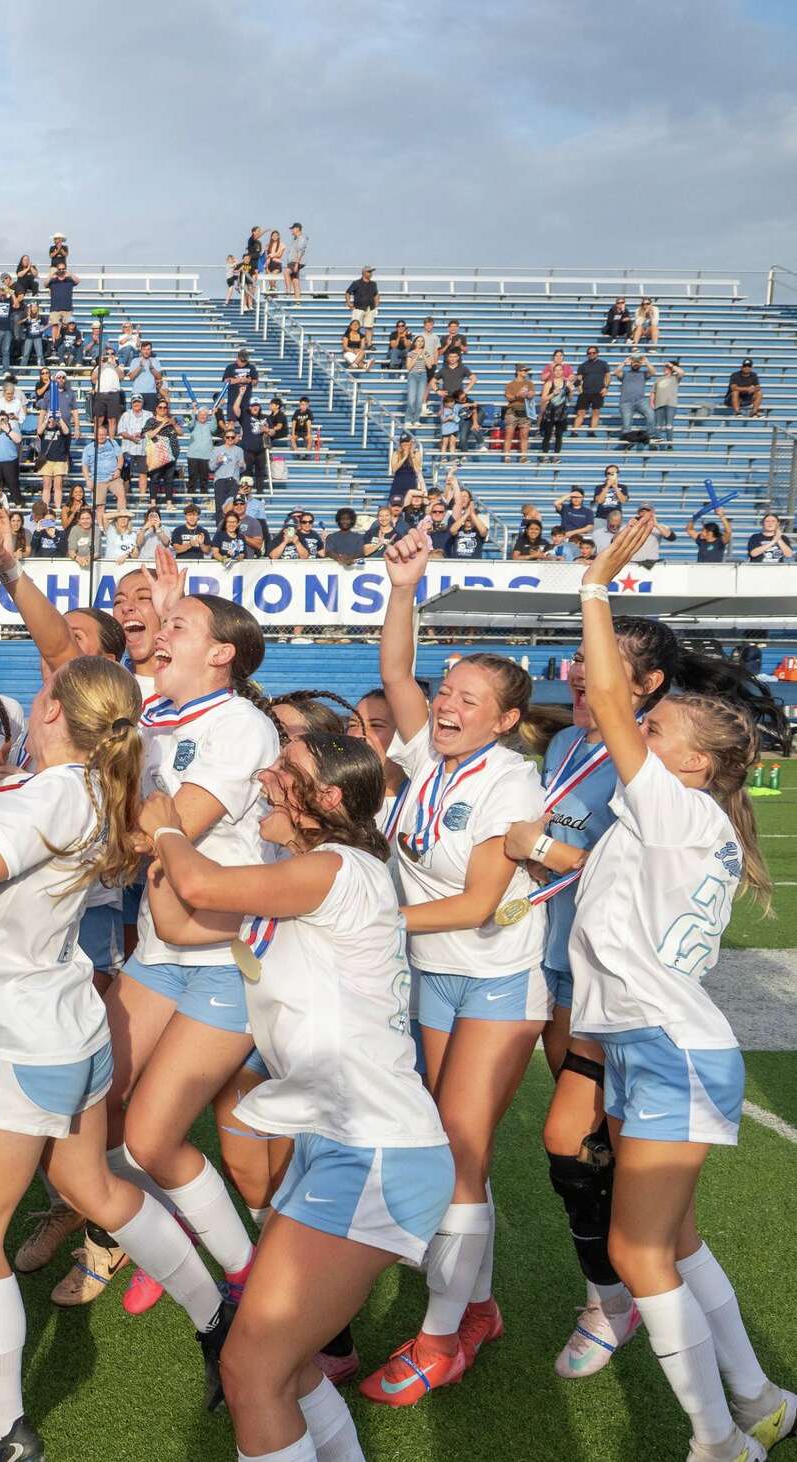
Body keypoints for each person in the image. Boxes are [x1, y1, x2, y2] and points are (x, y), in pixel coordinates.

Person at [0, 658, 234, 1462]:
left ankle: (5, 1433)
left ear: (51, 715)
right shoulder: (98, 785)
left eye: (42, 700)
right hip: (69, 1024)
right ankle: (217, 1317)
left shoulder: (53, 793)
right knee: (90, 1184)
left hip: (12, 1032)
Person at [552, 512, 795, 1462]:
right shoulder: (678, 818)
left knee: (637, 1252)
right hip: (651, 1042)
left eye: (657, 731)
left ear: (691, 762)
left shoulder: (677, 807)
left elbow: (611, 703)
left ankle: (717, 1441)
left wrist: (595, 591)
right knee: (677, 1241)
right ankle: (759, 1397)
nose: (636, 736)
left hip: (666, 1048)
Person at [143, 731, 453, 1462]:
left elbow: (201, 887)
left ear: (330, 799)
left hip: (377, 1149)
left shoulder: (338, 868)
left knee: (251, 1371)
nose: (267, 776)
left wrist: (165, 827)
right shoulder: (300, 880)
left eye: (287, 770)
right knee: (289, 1364)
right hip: (339, 1143)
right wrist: (149, 842)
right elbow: (176, 918)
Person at [358, 527, 548, 1407]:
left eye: (470, 698)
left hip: (497, 976)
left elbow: (477, 904)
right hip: (432, 973)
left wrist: (366, 917)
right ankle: (477, 1306)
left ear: (506, 719)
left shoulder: (509, 781)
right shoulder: (424, 752)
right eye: (448, 689)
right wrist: (404, 588)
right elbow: (397, 675)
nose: (446, 702)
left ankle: (442, 1338)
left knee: (461, 1151)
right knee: (446, 1146)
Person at [98, 549, 277, 1315]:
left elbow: (174, 830)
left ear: (224, 654)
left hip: (225, 959)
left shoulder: (239, 725)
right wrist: (170, 608)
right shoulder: (162, 715)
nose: (158, 634)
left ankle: (246, 1279)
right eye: (160, 625)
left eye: (179, 627)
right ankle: (183, 1232)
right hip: (163, 948)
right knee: (97, 1104)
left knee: (149, 1137)